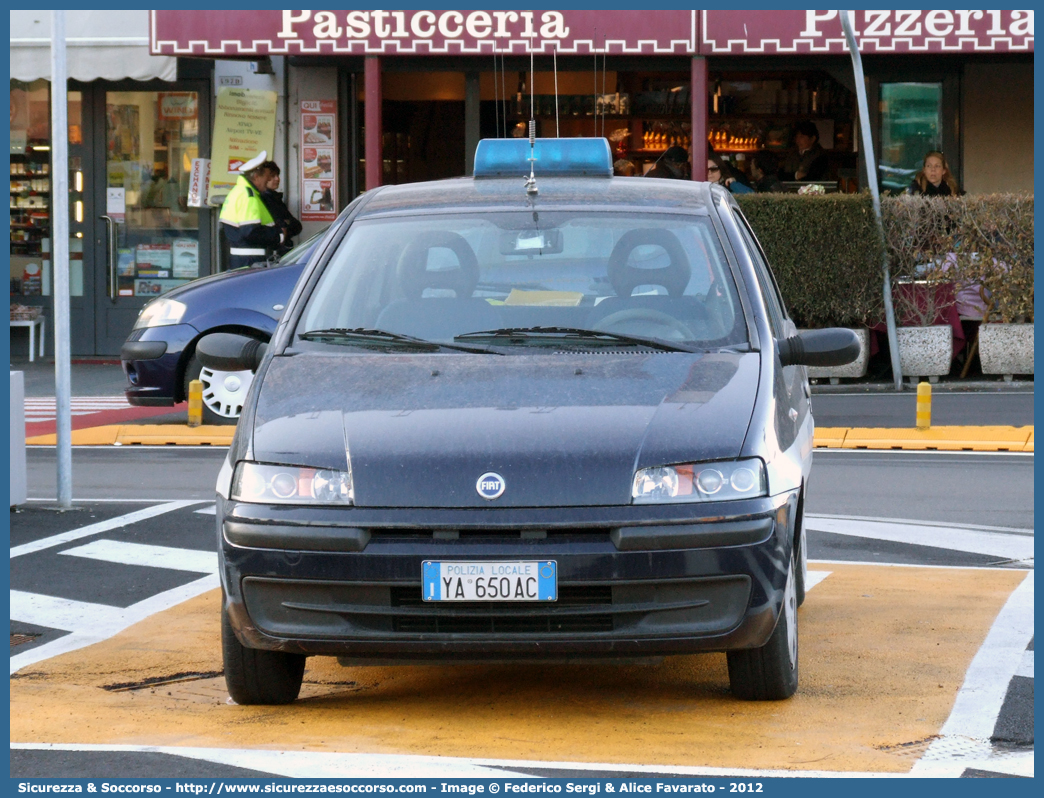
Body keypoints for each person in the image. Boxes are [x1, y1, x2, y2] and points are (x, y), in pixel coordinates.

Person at [219, 151, 283, 270]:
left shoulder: (237, 191)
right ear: (256, 176)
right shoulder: (249, 196)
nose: (268, 179)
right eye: (267, 176)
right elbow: (250, 232)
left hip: (241, 260)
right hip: (251, 261)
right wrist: (278, 236)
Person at [258, 160, 303, 255]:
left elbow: (297, 226)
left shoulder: (276, 199)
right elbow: (279, 225)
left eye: (278, 175)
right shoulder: (263, 199)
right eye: (272, 176)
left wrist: (285, 225)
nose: (277, 179)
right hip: (271, 252)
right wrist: (285, 224)